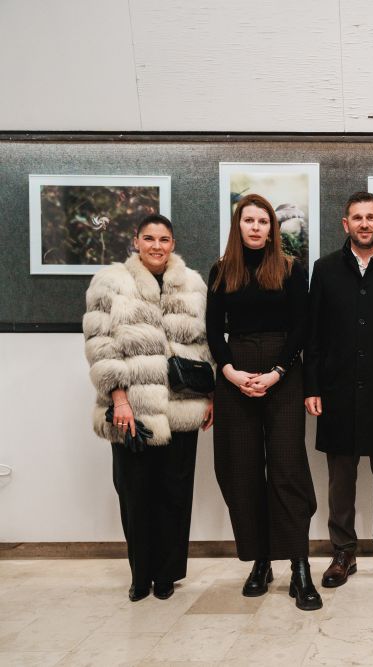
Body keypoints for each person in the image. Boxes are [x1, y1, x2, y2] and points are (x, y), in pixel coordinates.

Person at [83, 214, 213, 602]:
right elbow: (100, 345)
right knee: (135, 494)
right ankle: (141, 574)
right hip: (132, 409)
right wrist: (119, 399)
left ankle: (167, 574)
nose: (157, 246)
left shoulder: (193, 285)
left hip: (181, 407)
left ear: (173, 244)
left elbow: (205, 346)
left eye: (164, 239)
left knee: (175, 494)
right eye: (150, 238)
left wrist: (210, 397)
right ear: (136, 241)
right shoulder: (110, 282)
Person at [207, 193, 321, 611]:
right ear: (238, 226)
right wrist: (230, 373)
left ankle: (299, 565)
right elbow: (212, 330)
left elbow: (302, 327)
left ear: (273, 228)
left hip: (283, 373)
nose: (255, 227)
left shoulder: (291, 269)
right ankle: (260, 561)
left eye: (263, 221)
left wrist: (276, 372)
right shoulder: (221, 270)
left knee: (288, 470)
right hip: (235, 374)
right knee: (242, 470)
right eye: (248, 220)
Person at [304, 192, 373, 588]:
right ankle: (343, 552)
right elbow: (313, 334)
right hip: (336, 389)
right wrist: (312, 386)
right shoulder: (324, 269)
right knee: (340, 478)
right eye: (357, 217)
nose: (365, 223)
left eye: (371, 217)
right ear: (346, 224)